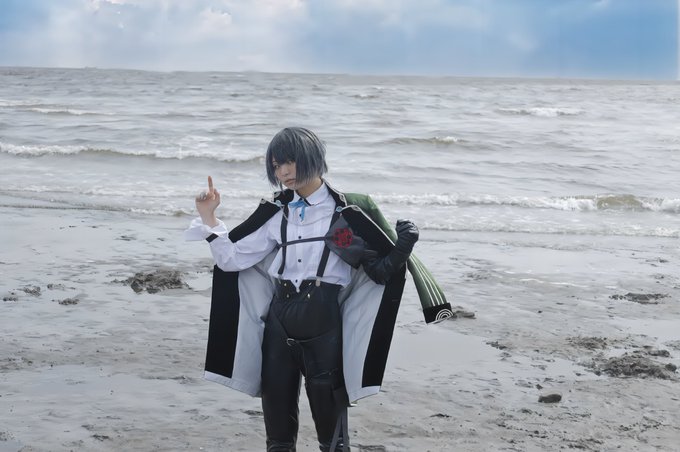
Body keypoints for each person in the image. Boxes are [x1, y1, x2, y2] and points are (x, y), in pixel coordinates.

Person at [185, 127, 421, 452]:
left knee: (333, 439)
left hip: (324, 325)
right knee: (278, 437)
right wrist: (209, 218)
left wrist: (404, 246)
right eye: (276, 165)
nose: (283, 172)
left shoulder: (344, 215)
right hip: (278, 323)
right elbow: (232, 260)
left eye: (289, 162)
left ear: (313, 158)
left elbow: (379, 272)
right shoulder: (277, 214)